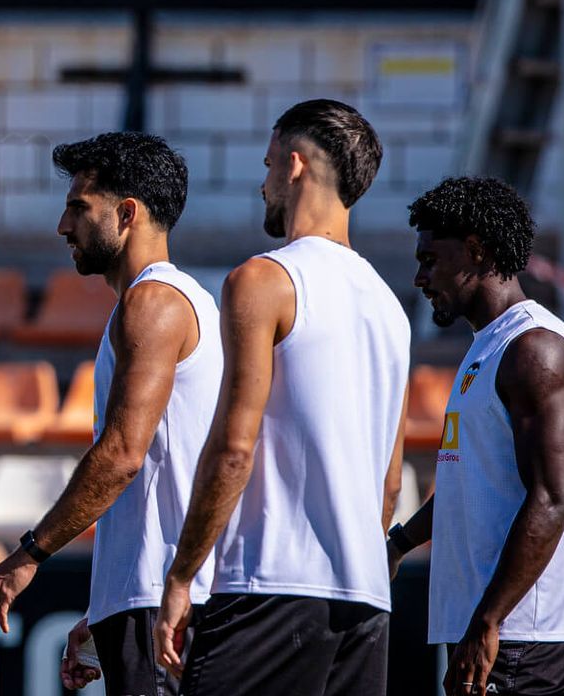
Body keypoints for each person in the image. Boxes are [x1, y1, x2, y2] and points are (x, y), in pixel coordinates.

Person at [154, 100, 410, 696]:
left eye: (268, 165)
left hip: (272, 586)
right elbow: (390, 483)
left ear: (294, 166)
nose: (262, 183)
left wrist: (183, 575)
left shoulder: (263, 279)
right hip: (366, 599)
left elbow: (234, 449)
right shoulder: (391, 308)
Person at [0, 132, 220, 696]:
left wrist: (27, 556)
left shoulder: (153, 303)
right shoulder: (165, 301)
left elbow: (123, 455)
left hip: (160, 603)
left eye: (79, 207)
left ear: (127, 214)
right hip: (150, 596)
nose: (62, 226)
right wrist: (106, 603)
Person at [390, 177, 564, 696]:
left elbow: (552, 500)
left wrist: (489, 621)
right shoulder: (490, 346)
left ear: (476, 252)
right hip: (495, 623)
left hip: (521, 629)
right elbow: (471, 484)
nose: (419, 277)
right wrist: (399, 543)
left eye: (430, 259)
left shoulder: (534, 349)